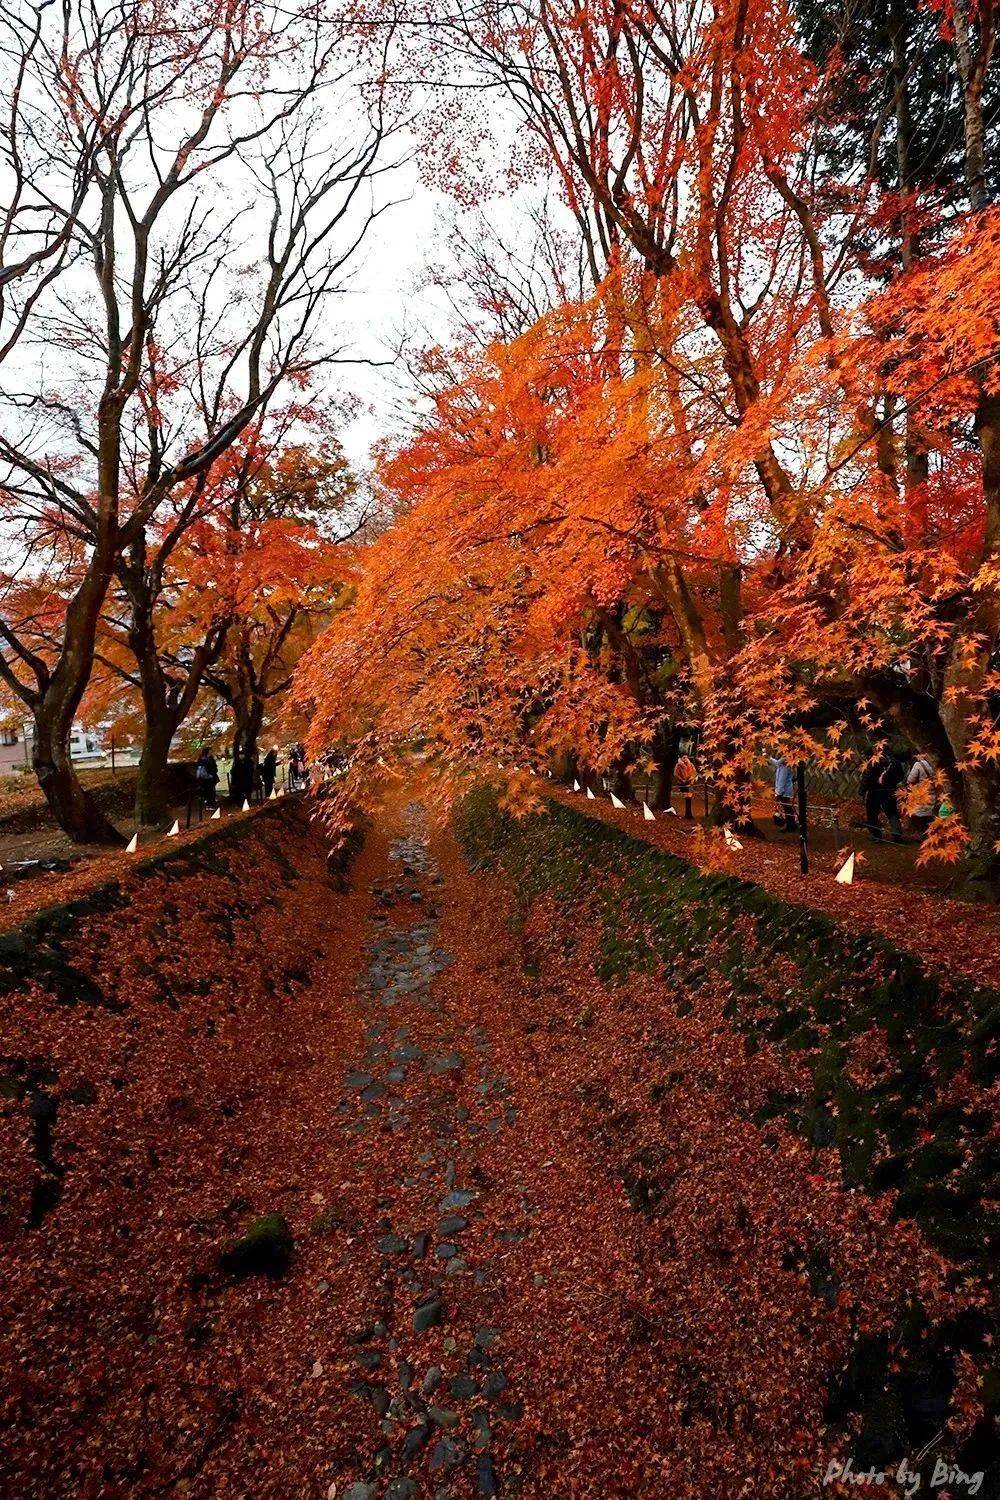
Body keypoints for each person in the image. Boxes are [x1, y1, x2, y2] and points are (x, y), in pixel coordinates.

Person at [859, 748, 904, 842]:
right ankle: (897, 835)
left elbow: (866, 778)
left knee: (872, 814)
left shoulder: (872, 762)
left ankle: (876, 836)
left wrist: (862, 791)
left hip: (874, 791)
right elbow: (901, 776)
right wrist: (893, 782)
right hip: (889, 790)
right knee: (892, 813)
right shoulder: (894, 762)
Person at [906, 752, 936, 835]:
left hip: (921, 792)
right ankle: (930, 833)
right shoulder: (933, 764)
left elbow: (910, 780)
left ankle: (920, 833)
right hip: (932, 790)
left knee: (920, 814)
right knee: (930, 813)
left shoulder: (918, 764)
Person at [769, 756, 797, 831]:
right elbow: (776, 762)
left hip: (784, 792)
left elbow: (781, 781)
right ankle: (791, 824)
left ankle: (790, 825)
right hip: (786, 791)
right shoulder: (782, 766)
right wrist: (769, 758)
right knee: (787, 807)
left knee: (787, 808)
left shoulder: (784, 768)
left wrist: (778, 793)